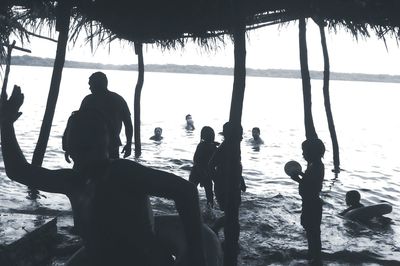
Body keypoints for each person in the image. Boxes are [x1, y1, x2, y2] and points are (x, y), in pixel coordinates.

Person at [1, 86, 207, 266]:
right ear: (67, 146)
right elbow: (18, 171)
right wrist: (6, 123)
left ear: (109, 144)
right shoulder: (72, 182)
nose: (86, 141)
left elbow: (186, 190)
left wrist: (197, 256)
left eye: (93, 135)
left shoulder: (123, 172)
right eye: (81, 136)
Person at [70, 71, 133, 160]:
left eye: (91, 84)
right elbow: (128, 124)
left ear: (99, 84)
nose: (89, 87)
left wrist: (129, 144)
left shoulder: (89, 100)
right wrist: (129, 144)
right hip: (93, 145)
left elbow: (128, 124)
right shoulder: (117, 99)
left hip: (99, 146)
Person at [289, 138, 325, 264]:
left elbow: (310, 185)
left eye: (305, 152)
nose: (303, 154)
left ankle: (316, 257)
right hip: (311, 202)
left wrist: (297, 179)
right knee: (311, 229)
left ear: (312, 152)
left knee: (312, 231)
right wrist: (301, 175)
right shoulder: (315, 165)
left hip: (312, 203)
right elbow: (310, 180)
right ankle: (313, 254)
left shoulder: (316, 167)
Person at [189, 126, 219, 208]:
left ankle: (189, 207)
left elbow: (195, 159)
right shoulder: (213, 147)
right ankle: (210, 211)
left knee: (190, 191)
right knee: (209, 195)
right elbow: (217, 161)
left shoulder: (201, 145)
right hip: (206, 172)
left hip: (197, 171)